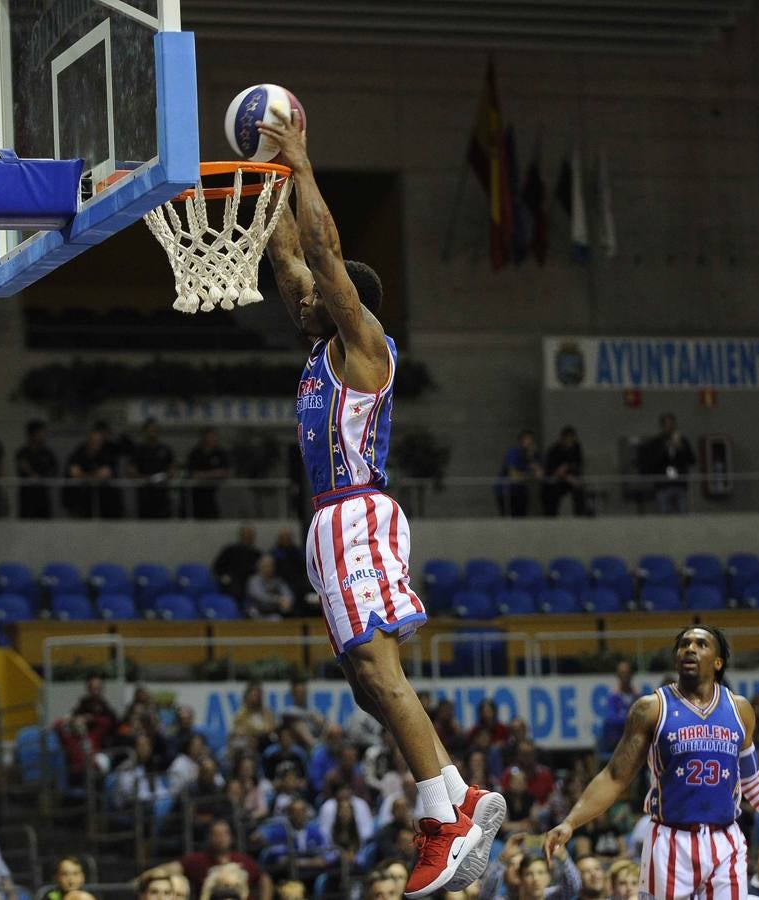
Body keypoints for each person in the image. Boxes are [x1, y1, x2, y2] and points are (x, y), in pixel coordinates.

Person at [259, 107, 502, 897]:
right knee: (366, 681)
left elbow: (321, 251)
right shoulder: (316, 345)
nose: (299, 300)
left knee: (374, 665)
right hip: (335, 519)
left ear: (345, 306)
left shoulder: (362, 347)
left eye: (316, 299)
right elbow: (291, 253)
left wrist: (300, 158)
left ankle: (443, 817)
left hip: (355, 509)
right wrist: (262, 170)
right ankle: (460, 793)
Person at [544, 626, 759, 900]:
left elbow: (752, 781)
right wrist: (570, 822)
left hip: (725, 839)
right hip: (670, 841)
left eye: (700, 644)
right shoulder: (652, 708)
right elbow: (615, 777)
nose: (689, 649)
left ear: (717, 662)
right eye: (684, 645)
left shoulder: (740, 709)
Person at [162, 819, 274, 899]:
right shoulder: (197, 860)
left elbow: (264, 879)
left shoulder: (243, 860)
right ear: (209, 837)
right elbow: (169, 869)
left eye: (224, 834)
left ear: (231, 837)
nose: (220, 838)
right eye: (216, 834)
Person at [640, 413, 695, 514]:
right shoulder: (656, 442)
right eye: (667, 424)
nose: (670, 427)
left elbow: (692, 460)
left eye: (672, 424)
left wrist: (681, 448)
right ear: (662, 426)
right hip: (663, 484)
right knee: (664, 515)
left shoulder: (683, 441)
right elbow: (651, 462)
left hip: (680, 483)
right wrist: (664, 449)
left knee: (682, 513)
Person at [65, 425, 123, 519]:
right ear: (89, 441)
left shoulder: (107, 453)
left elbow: (105, 473)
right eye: (94, 441)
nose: (96, 444)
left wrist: (85, 476)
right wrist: (94, 477)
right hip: (83, 500)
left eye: (99, 441)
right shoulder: (79, 452)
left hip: (106, 501)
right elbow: (75, 473)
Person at [130, 418, 176, 519]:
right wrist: (147, 479)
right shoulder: (138, 450)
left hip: (162, 494)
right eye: (150, 430)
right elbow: (132, 471)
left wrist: (160, 478)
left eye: (155, 430)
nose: (153, 432)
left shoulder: (166, 449)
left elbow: (172, 471)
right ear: (145, 431)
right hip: (144, 495)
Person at [15, 419, 58, 519]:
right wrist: (34, 476)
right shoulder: (22, 452)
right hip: (27, 497)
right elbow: (23, 467)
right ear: (33, 434)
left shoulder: (47, 453)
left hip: (43, 496)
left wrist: (44, 478)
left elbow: (54, 470)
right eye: (42, 433)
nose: (44, 435)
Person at [185, 428, 231, 520]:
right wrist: (214, 474)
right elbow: (194, 475)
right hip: (197, 495)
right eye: (212, 436)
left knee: (214, 518)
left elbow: (225, 473)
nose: (215, 439)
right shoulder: (195, 453)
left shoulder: (220, 453)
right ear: (205, 438)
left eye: (216, 436)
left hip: (215, 493)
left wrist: (204, 475)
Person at [496, 430, 544, 517]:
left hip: (521, 489)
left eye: (532, 440)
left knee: (522, 516)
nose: (530, 442)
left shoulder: (534, 455)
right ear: (521, 442)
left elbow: (540, 475)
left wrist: (531, 459)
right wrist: (530, 474)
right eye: (527, 440)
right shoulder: (513, 453)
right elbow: (514, 476)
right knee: (510, 518)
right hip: (506, 490)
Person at [543, 425, 587, 517]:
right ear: (562, 439)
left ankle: (580, 515)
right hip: (556, 481)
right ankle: (551, 517)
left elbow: (578, 464)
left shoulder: (576, 448)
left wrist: (567, 467)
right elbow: (553, 470)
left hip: (572, 479)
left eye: (572, 438)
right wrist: (566, 476)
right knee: (551, 493)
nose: (570, 441)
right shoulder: (554, 450)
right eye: (567, 438)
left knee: (579, 489)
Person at [214, 526, 262, 601]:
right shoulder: (230, 550)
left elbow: (262, 572)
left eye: (250, 535)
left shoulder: (257, 554)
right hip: (232, 582)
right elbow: (217, 567)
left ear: (253, 537)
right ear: (241, 535)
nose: (247, 537)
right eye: (245, 534)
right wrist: (223, 576)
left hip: (250, 583)